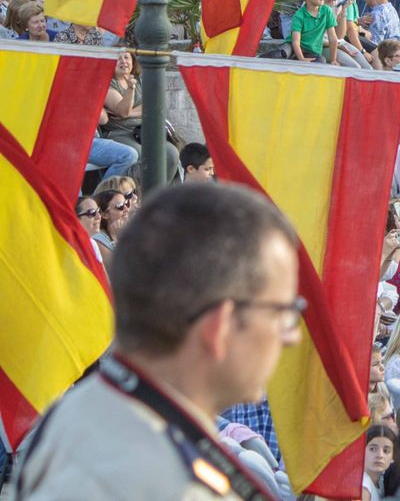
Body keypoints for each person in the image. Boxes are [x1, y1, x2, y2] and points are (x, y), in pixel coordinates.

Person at [8, 183, 301, 499]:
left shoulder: (90, 417)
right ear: (219, 327)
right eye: (281, 311)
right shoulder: (166, 482)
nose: (290, 335)